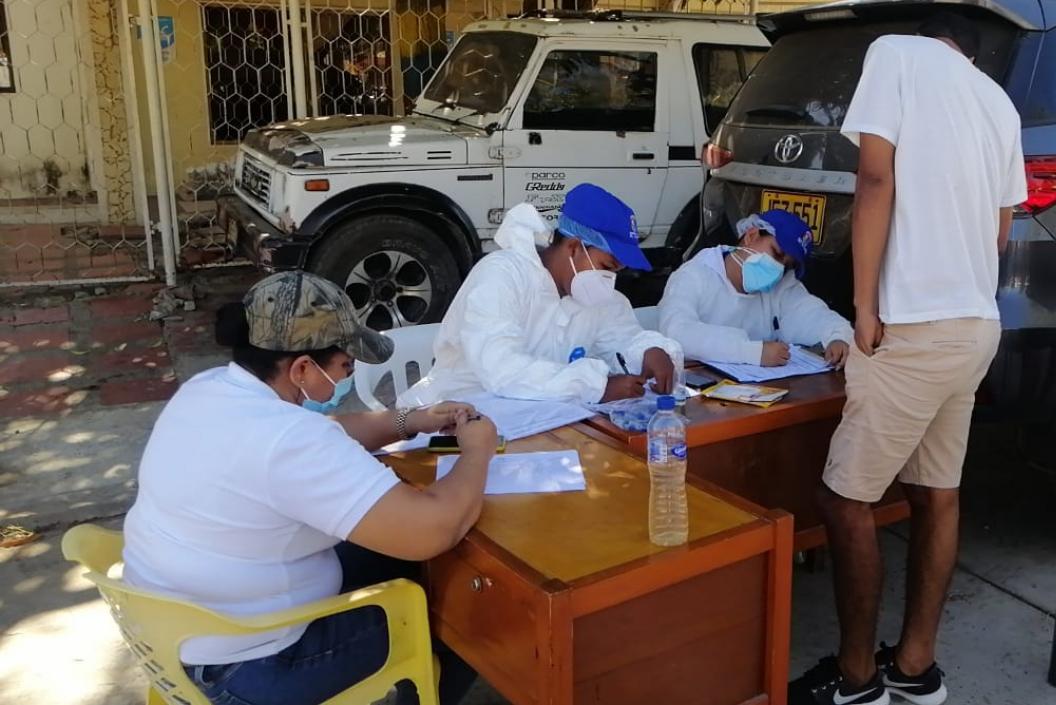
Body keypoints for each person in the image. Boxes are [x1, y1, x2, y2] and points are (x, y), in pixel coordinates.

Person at [123, 271, 498, 705]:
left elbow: (323, 430)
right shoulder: (289, 441)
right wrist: (477, 452)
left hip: (175, 639)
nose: (346, 379)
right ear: (302, 367)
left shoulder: (208, 390)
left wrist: (409, 420)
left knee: (398, 560)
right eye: (345, 366)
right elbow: (431, 531)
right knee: (469, 613)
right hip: (252, 669)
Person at [793, 12, 1026, 705]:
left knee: (842, 500)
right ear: (972, 53)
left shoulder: (897, 52)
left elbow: (874, 179)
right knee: (937, 492)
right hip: (975, 326)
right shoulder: (998, 102)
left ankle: (858, 678)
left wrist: (865, 305)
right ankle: (917, 668)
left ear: (927, 34)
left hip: (912, 330)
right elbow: (1003, 227)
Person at [398, 183, 682, 408]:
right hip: (449, 416)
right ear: (573, 247)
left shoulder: (595, 295)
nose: (610, 279)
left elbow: (623, 337)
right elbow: (502, 369)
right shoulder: (502, 276)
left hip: (533, 419)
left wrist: (650, 350)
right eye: (607, 267)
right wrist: (597, 386)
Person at [658, 209, 852, 367]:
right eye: (776, 253)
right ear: (751, 235)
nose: (779, 268)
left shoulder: (781, 285)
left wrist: (837, 337)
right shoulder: (694, 275)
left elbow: (812, 315)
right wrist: (750, 351)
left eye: (787, 265)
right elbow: (677, 333)